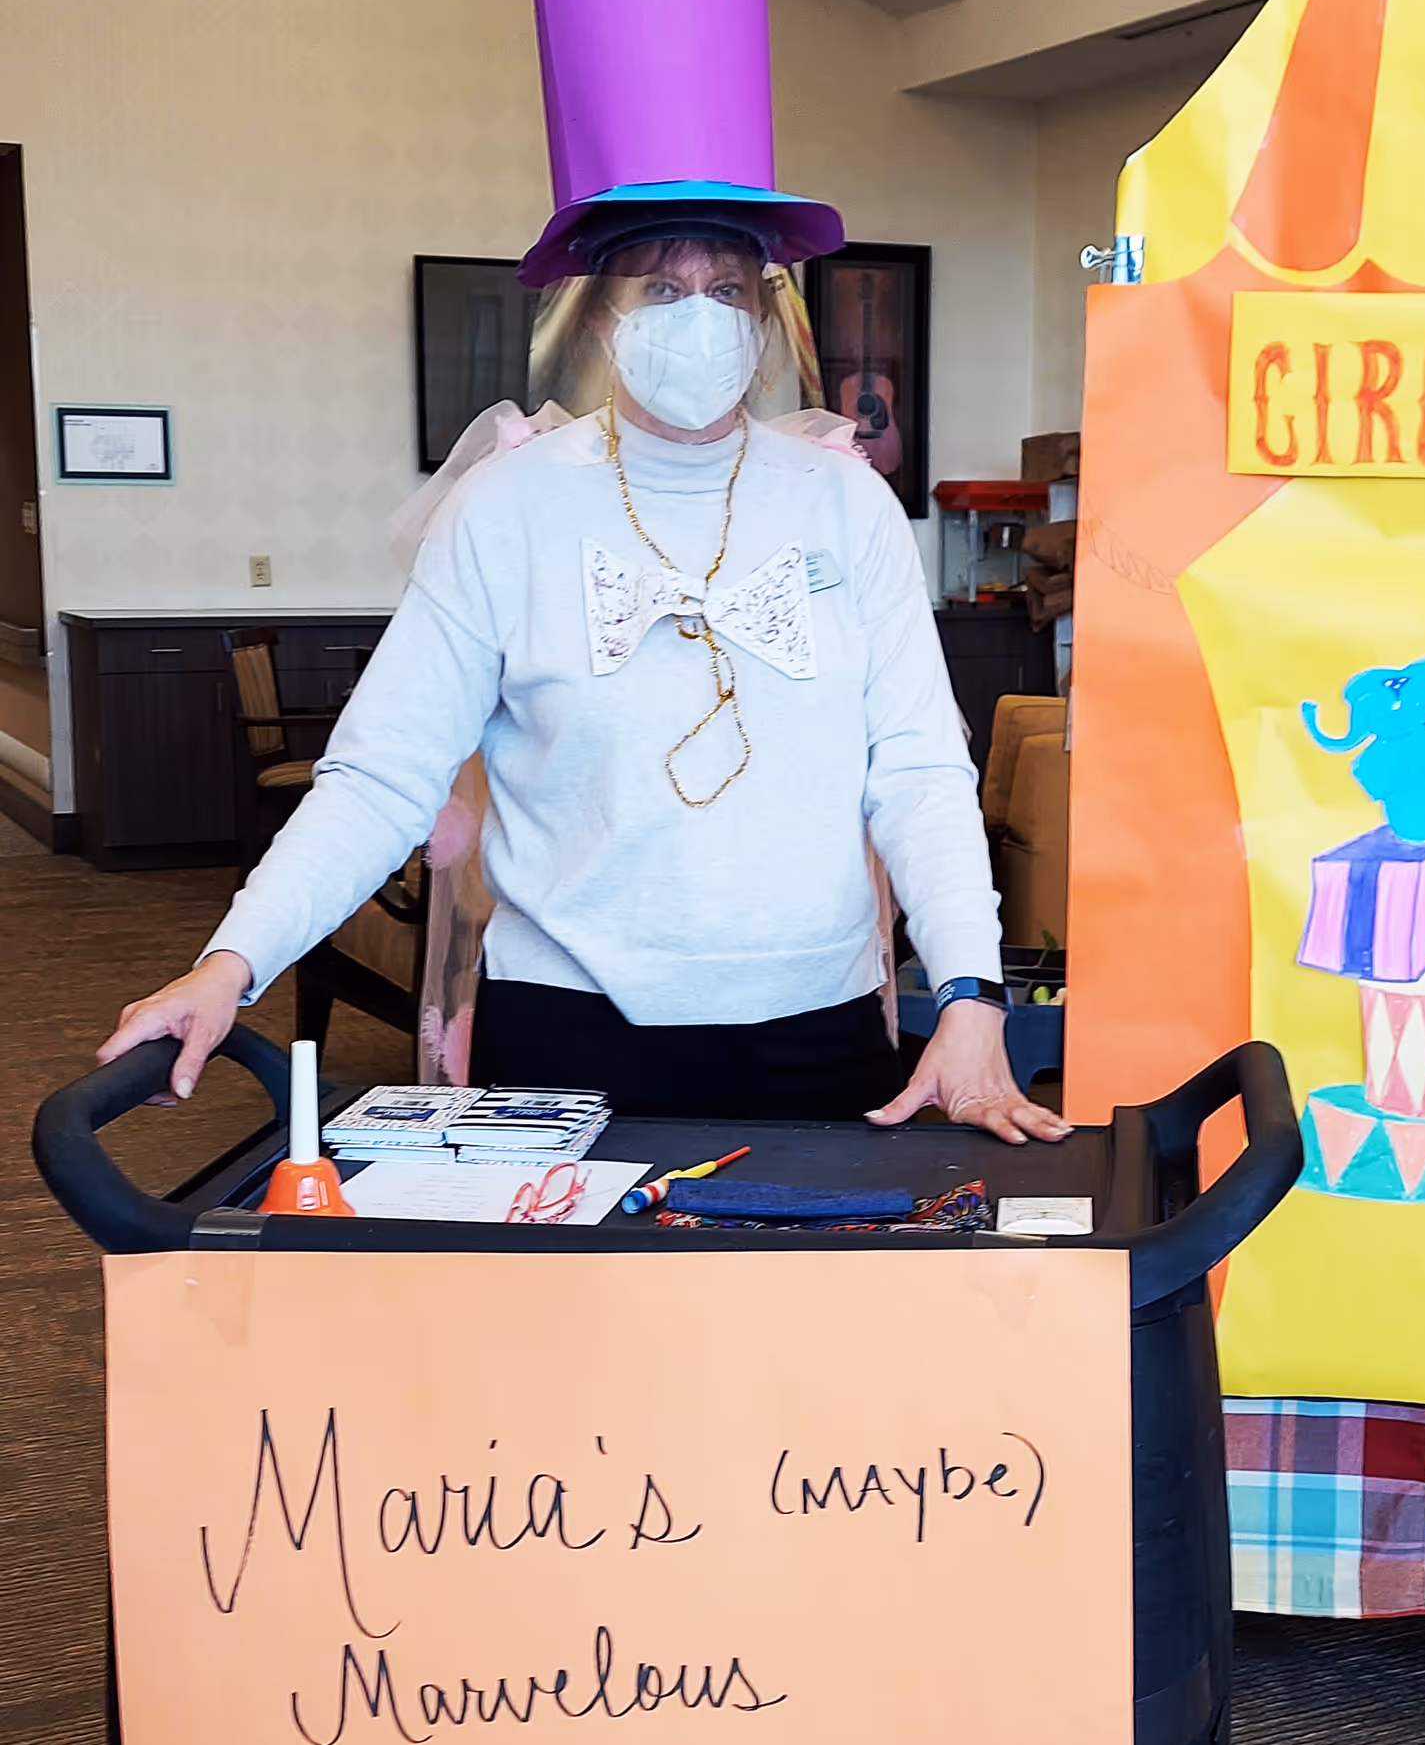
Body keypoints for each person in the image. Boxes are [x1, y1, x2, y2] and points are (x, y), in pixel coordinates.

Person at [99, 220, 1069, 1147]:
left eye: (727, 288)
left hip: (821, 1027)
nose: (699, 315)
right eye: (661, 287)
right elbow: (381, 777)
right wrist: (231, 961)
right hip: (567, 1036)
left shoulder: (848, 504)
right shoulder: (505, 507)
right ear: (604, 316)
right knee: (571, 1320)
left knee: (800, 1317)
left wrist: (971, 995)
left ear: (767, 320)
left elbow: (919, 773)